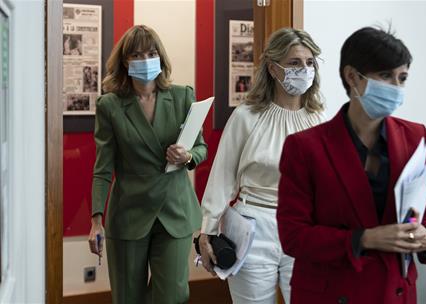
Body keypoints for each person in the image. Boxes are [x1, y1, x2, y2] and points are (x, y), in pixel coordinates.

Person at [277, 27, 426, 304]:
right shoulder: (305, 147)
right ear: (352, 76)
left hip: (395, 290)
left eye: (402, 78)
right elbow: (293, 236)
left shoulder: (415, 137)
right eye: (385, 76)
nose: (395, 86)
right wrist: (364, 239)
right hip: (333, 292)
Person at [198, 28, 325, 304]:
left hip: (304, 226)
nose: (304, 69)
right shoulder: (247, 116)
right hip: (253, 228)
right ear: (273, 67)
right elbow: (222, 176)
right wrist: (206, 230)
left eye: (309, 63)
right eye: (294, 63)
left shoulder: (320, 119)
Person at [88, 25, 207, 304]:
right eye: (137, 55)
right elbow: (103, 167)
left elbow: (200, 148)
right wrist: (96, 220)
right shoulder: (110, 106)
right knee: (128, 296)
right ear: (124, 62)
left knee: (173, 296)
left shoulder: (182, 96)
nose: (145, 61)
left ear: (160, 58)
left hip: (174, 211)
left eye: (151, 53)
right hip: (129, 213)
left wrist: (187, 157)